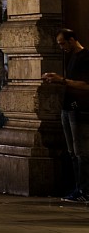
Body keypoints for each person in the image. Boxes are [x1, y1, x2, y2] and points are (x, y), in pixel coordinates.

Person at [45, 29, 89, 200]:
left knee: (81, 152)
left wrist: (62, 80)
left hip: (80, 110)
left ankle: (84, 190)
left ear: (72, 40)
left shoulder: (85, 58)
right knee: (72, 152)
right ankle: (78, 188)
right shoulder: (72, 58)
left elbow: (86, 85)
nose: (61, 47)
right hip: (68, 109)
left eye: (63, 43)